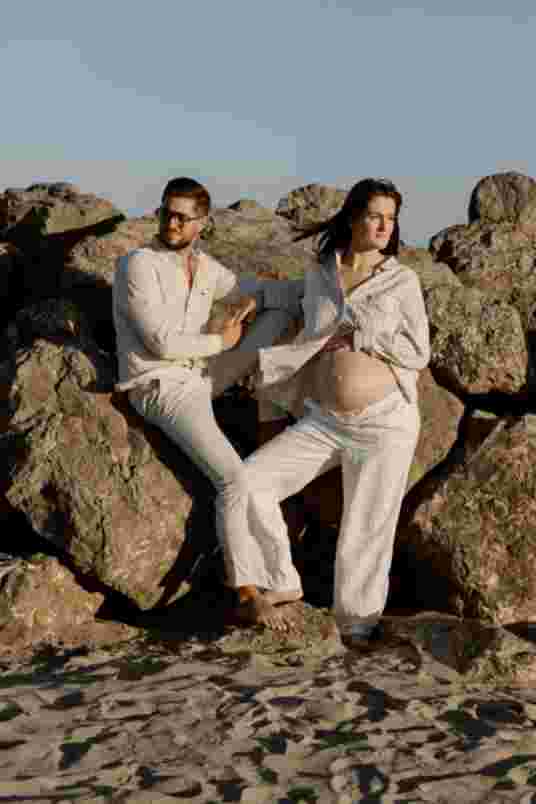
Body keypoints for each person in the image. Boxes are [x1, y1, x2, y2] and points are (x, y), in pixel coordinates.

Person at [221, 178, 431, 642]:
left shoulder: (402, 280)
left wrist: (362, 337)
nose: (383, 225)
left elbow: (419, 351)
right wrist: (258, 297)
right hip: (325, 420)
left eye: (391, 219)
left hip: (385, 422)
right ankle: (282, 583)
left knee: (366, 527)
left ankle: (356, 626)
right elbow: (298, 294)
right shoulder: (322, 271)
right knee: (250, 482)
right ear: (353, 217)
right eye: (375, 215)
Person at [112, 177, 302, 567]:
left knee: (282, 311)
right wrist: (221, 343)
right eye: (167, 213)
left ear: (203, 223)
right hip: (159, 385)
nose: (172, 224)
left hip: (202, 376)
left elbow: (253, 289)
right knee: (233, 479)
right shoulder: (138, 264)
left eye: (183, 217)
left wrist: (323, 290)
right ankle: (246, 586)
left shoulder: (205, 268)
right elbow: (160, 344)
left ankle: (271, 407)